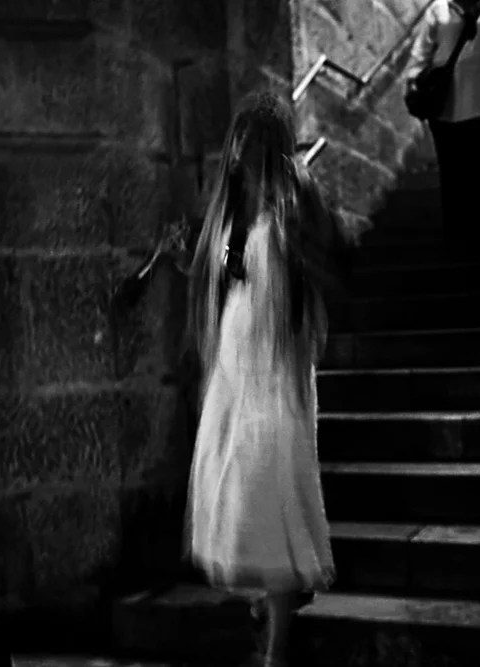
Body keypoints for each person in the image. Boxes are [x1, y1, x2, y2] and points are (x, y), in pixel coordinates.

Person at [184, 91, 347, 667]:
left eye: (248, 150)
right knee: (244, 497)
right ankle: (273, 605)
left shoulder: (292, 205)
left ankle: (278, 643)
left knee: (270, 497)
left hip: (274, 373)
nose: (239, 160)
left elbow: (301, 278)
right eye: (237, 150)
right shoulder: (240, 207)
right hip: (240, 369)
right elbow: (237, 279)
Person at [407, 0, 480, 259]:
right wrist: (413, 84)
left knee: (479, 168)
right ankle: (455, 236)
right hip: (444, 102)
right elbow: (422, 50)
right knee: (450, 170)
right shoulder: (439, 9)